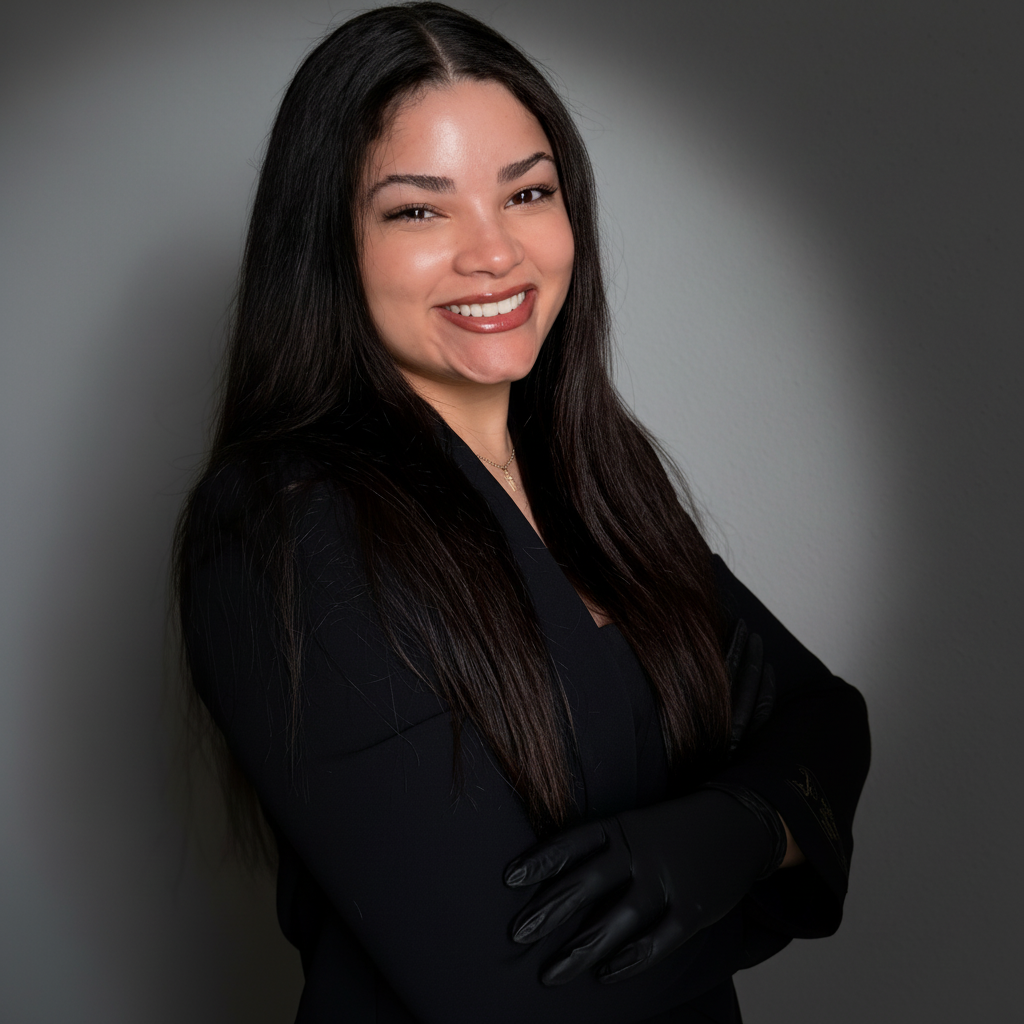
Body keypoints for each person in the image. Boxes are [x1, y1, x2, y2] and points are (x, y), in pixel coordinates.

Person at [175, 4, 871, 1022]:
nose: (493, 253)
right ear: (328, 242)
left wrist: (734, 827)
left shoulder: (595, 473)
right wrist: (777, 852)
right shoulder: (281, 529)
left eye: (527, 193)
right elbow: (508, 984)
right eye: (420, 210)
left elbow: (825, 716)